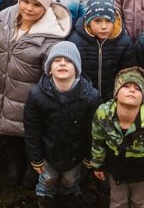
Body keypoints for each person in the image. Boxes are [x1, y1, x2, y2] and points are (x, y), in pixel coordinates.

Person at [0, 0, 74, 187]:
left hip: (29, 100)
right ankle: (13, 160)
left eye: (37, 5)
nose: (29, 8)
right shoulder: (5, 19)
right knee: (9, 135)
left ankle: (31, 164)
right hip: (2, 92)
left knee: (30, 135)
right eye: (26, 2)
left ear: (45, 7)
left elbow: (49, 76)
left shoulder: (51, 36)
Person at [24, 41, 103, 206]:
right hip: (48, 151)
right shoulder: (37, 95)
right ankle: (45, 197)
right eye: (56, 60)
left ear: (77, 68)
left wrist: (90, 157)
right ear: (49, 68)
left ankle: (68, 194)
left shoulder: (91, 97)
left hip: (75, 152)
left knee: (70, 178)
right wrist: (36, 158)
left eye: (68, 61)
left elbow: (93, 131)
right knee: (48, 178)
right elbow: (32, 129)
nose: (62, 64)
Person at [86, 67, 144, 208]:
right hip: (116, 168)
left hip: (141, 172)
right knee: (118, 201)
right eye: (126, 86)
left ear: (143, 97)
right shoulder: (103, 114)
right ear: (116, 94)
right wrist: (97, 165)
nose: (132, 90)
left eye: (137, 88)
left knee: (140, 202)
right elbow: (98, 141)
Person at [70, 0, 133, 95]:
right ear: (88, 21)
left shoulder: (124, 42)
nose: (104, 26)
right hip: (84, 95)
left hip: (113, 96)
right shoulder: (76, 41)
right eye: (98, 21)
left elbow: (128, 73)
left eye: (108, 21)